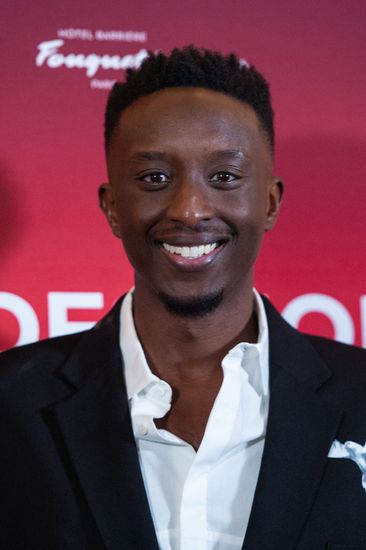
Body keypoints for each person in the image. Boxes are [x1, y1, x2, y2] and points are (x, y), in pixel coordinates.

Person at [1, 47, 366, 550]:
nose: (190, 210)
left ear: (270, 201)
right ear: (111, 207)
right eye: (155, 178)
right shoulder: (11, 405)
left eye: (224, 177)